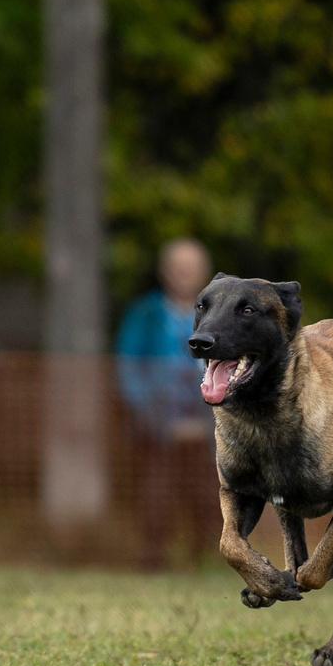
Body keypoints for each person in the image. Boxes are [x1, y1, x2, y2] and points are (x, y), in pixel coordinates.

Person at [115, 237, 216, 569]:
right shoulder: (144, 314)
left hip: (210, 421)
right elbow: (127, 367)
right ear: (164, 272)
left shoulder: (220, 314)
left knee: (211, 492)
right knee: (157, 491)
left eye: (192, 268)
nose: (185, 274)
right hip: (159, 423)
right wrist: (148, 410)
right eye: (178, 268)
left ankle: (206, 558)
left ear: (204, 273)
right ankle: (153, 556)